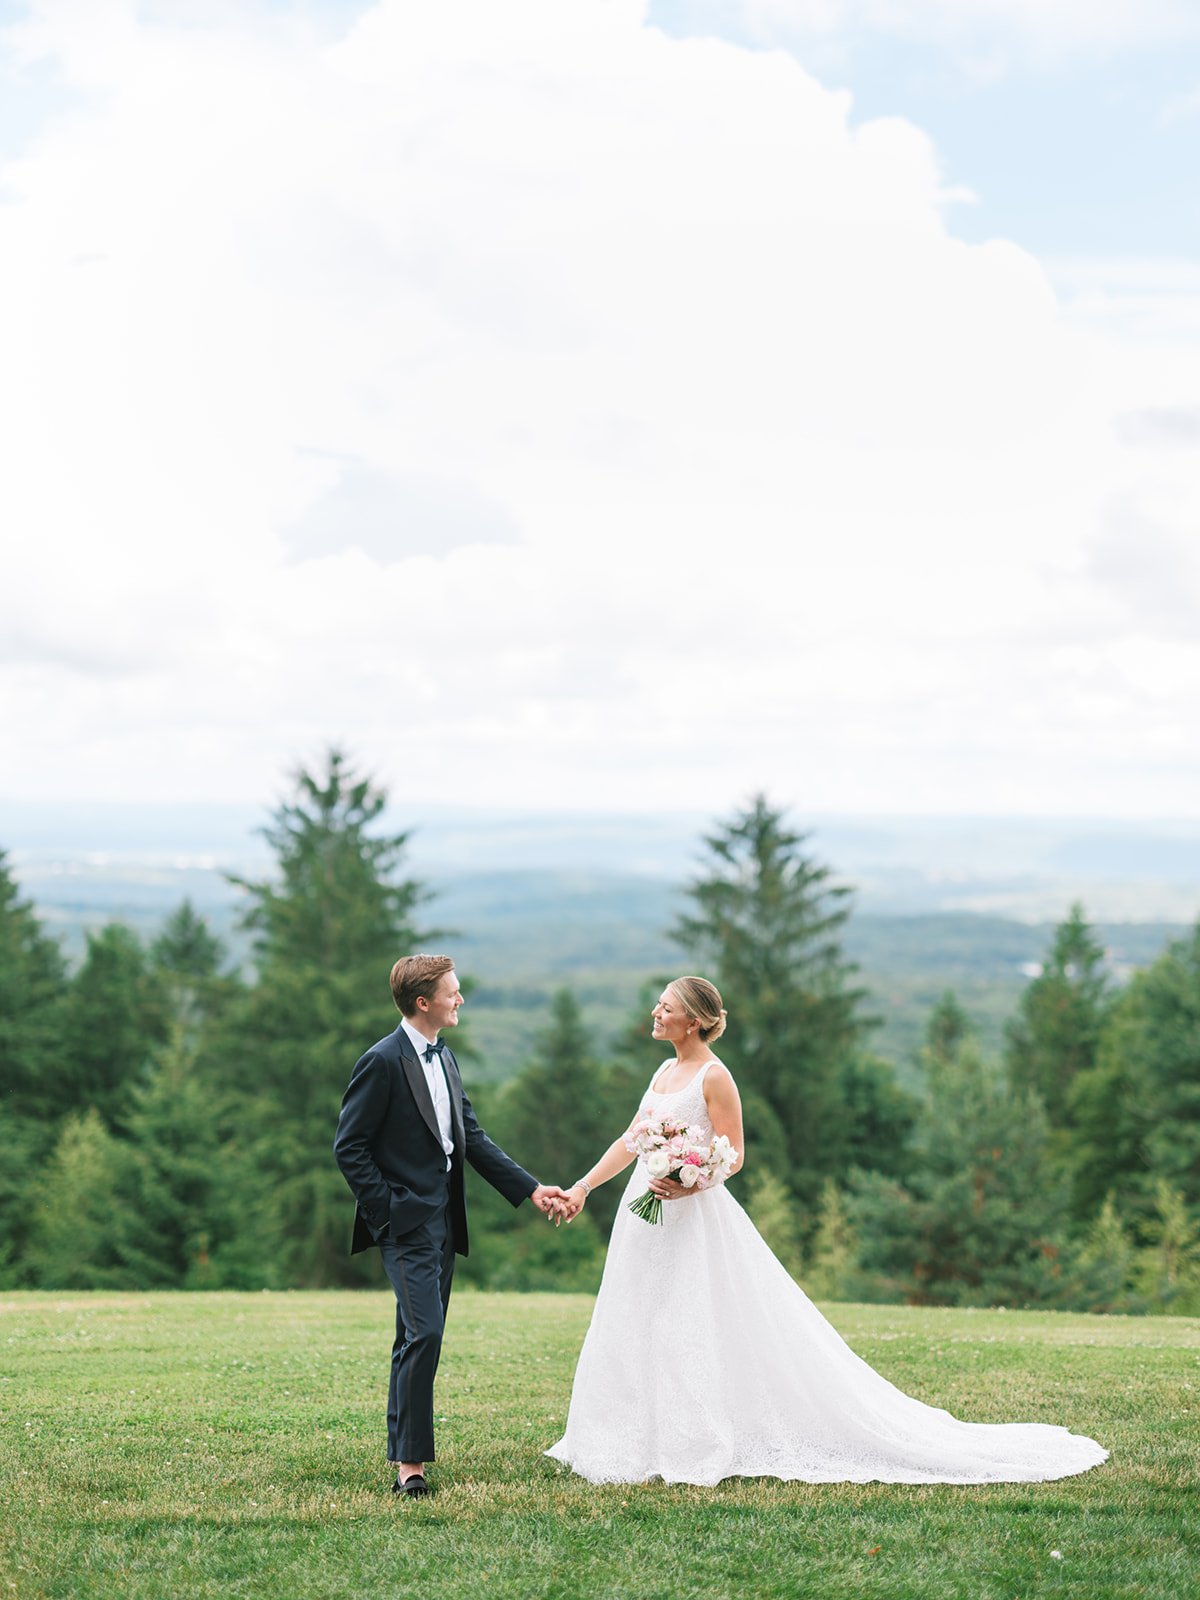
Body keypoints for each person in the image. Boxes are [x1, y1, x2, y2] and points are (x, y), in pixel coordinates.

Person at [545, 975, 1108, 1487]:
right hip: (642, 1212)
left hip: (692, 1217)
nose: (654, 1012)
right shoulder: (664, 1070)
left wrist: (692, 1183)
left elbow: (733, 1154)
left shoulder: (715, 1077)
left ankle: (693, 1438)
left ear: (692, 1020)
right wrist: (584, 1187)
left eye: (664, 1007)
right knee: (638, 1314)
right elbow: (630, 1138)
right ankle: (631, 1435)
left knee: (691, 1318)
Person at [334, 953, 568, 1498]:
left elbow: (473, 1139)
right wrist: (387, 1211)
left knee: (412, 1337)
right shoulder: (382, 1061)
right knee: (426, 1333)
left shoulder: (445, 1058)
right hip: (404, 1225)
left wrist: (532, 1189)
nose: (460, 999)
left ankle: (403, 1452)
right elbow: (350, 1147)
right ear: (424, 1002)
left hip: (444, 1224)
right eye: (452, 992)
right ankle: (410, 1468)